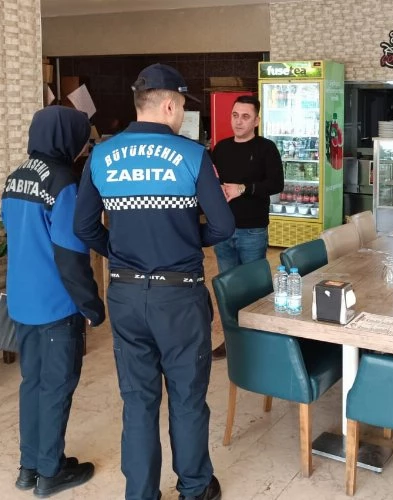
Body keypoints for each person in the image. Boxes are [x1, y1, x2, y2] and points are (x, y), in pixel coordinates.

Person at [74, 63, 234, 500]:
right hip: (179, 296)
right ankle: (195, 488)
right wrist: (186, 239)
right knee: (187, 397)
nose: (181, 115)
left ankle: (141, 493)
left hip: (126, 294)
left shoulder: (101, 156)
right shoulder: (192, 155)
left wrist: (119, 253)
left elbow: (83, 227)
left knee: (138, 400)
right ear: (168, 105)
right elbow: (223, 225)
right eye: (182, 106)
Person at [1, 105, 104, 498]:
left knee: (33, 382)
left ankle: (29, 467)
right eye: (80, 138)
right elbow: (70, 254)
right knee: (57, 386)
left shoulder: (16, 177)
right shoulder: (63, 183)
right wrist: (91, 305)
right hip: (56, 305)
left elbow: (14, 231)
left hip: (22, 302)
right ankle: (50, 471)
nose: (82, 147)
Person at [210, 95, 284, 360]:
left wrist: (243, 188)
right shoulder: (221, 148)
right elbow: (210, 181)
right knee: (228, 289)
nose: (238, 121)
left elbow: (276, 184)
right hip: (223, 230)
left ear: (256, 120)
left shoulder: (266, 148)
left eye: (245, 116)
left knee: (254, 289)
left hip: (252, 230)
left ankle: (257, 341)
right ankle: (232, 341)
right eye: (235, 115)